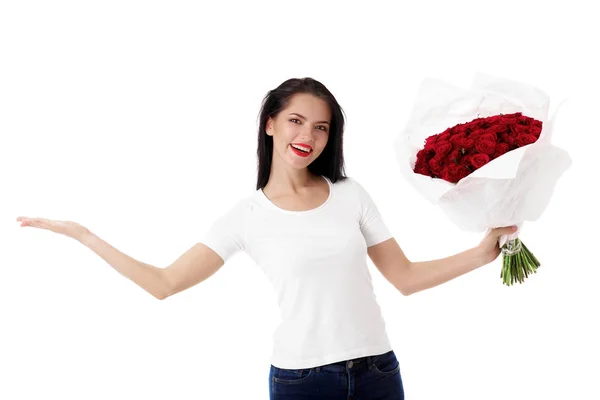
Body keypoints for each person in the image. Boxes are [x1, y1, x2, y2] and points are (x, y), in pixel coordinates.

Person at [16, 77, 516, 399]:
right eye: (296, 120)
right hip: (303, 382)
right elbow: (164, 282)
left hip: (378, 375)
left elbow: (403, 278)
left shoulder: (350, 193)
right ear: (271, 124)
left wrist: (479, 254)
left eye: (321, 127)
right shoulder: (246, 216)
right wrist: (83, 235)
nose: (309, 135)